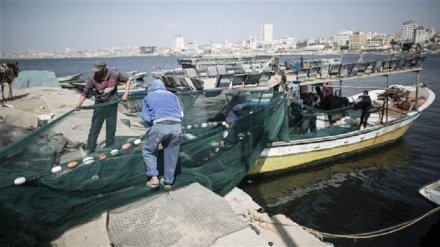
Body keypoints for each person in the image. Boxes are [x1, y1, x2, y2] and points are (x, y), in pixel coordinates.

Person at [75, 61, 131, 153]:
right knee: (95, 127)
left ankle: (109, 147)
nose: (96, 72)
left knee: (111, 127)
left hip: (112, 104)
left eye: (98, 70)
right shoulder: (92, 77)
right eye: (95, 70)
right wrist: (79, 103)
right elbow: (86, 92)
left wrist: (126, 94)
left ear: (104, 69)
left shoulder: (114, 74)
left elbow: (128, 80)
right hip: (99, 104)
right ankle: (90, 148)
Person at [141, 79, 183, 189]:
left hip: (159, 125)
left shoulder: (148, 97)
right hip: (177, 127)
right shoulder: (173, 96)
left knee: (148, 150)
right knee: (172, 154)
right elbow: (181, 113)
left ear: (152, 88)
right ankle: (168, 182)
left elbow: (146, 117)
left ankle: (153, 177)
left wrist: (153, 127)